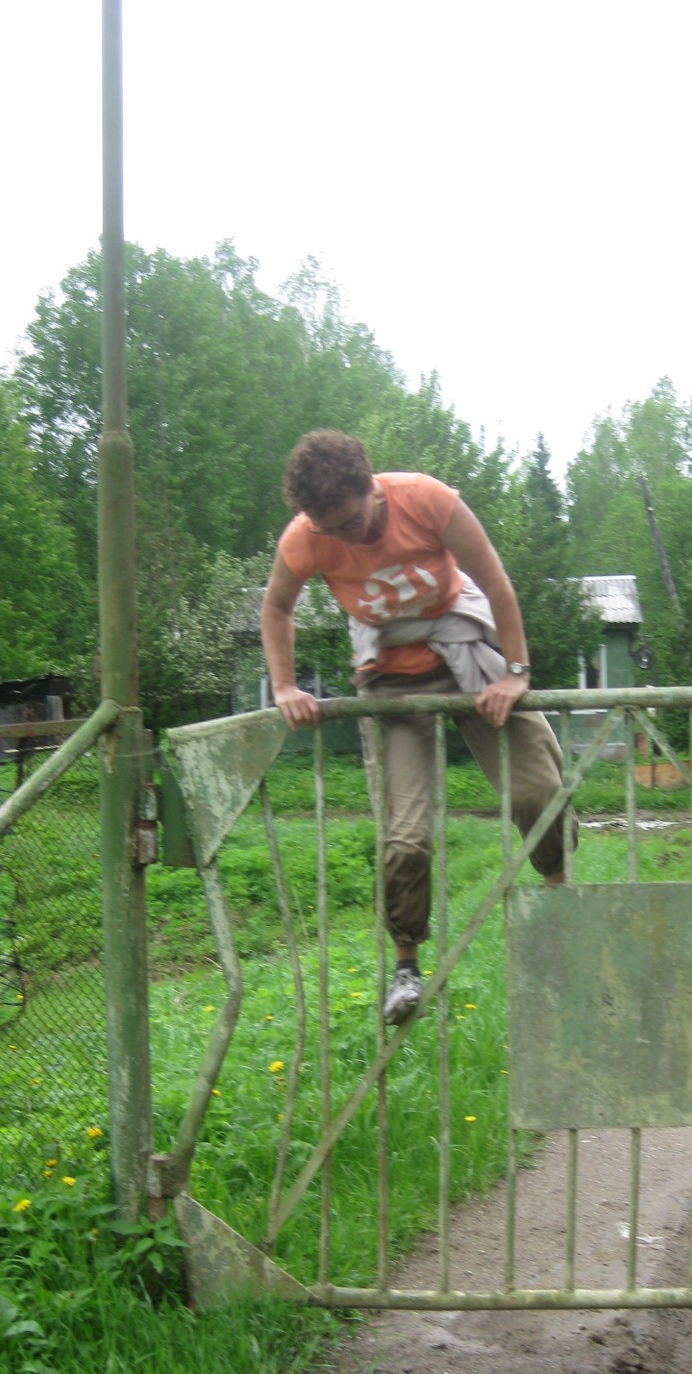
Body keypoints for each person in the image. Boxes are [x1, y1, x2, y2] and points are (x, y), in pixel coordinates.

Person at [260, 429, 571, 1025]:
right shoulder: (306, 536)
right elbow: (277, 607)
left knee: (540, 792)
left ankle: (562, 907)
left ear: (372, 488)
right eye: (331, 530)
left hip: (465, 651)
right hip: (393, 684)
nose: (346, 538)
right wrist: (284, 687)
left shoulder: (426, 500)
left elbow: (496, 580)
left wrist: (516, 673)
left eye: (353, 522)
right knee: (405, 840)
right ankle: (406, 968)